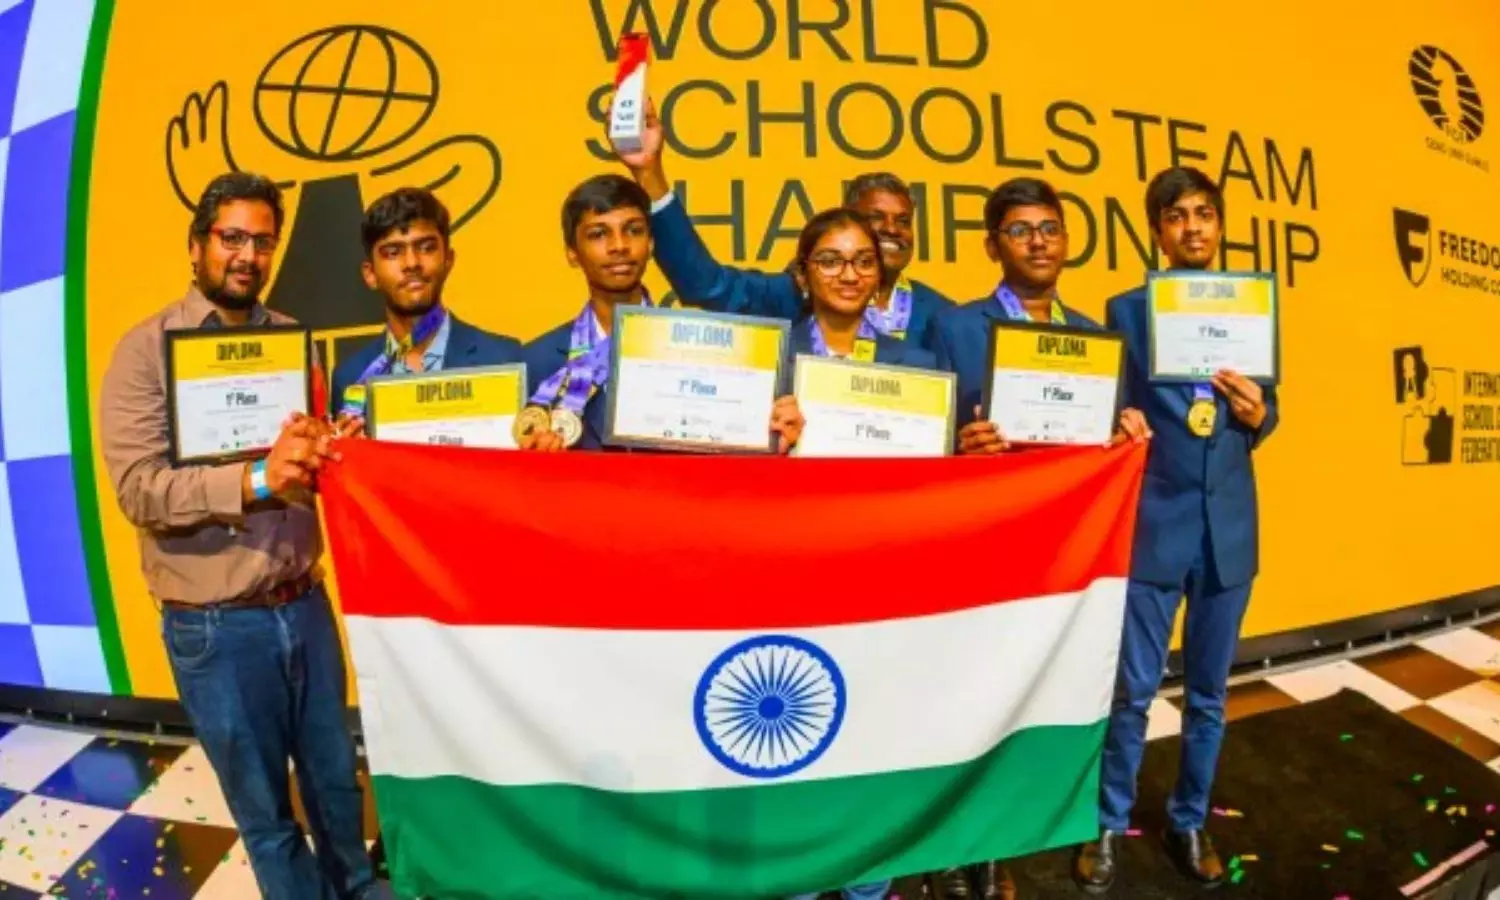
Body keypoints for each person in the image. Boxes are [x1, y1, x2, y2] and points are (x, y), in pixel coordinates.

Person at [98, 173, 383, 899]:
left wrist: (332, 447)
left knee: (337, 790)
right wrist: (257, 479)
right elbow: (141, 491)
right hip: (216, 628)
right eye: (232, 238)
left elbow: (303, 457)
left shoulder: (290, 339)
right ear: (197, 245)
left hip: (305, 606)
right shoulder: (143, 352)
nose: (248, 256)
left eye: (263, 241)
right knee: (266, 817)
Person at [1073, 167, 1280, 893]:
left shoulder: (1251, 307)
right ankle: (1107, 821)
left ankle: (1189, 820)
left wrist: (1260, 414)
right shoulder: (1127, 312)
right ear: (1157, 231)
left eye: (1204, 213)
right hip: (1155, 527)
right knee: (1132, 692)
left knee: (1210, 695)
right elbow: (1112, 405)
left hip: (1230, 532)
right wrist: (1118, 417)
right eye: (1176, 216)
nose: (1192, 227)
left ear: (1219, 224)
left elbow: (1269, 409)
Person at [613, 99, 954, 350]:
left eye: (903, 221)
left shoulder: (942, 315)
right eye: (876, 218)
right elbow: (705, 284)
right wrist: (650, 174)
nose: (892, 229)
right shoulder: (796, 293)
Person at [521, 174, 804, 454]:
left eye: (634, 230)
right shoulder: (537, 361)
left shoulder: (705, 352)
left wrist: (770, 442)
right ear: (572, 252)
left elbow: (722, 459)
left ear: (652, 244)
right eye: (598, 234)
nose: (619, 246)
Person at [930, 177, 1149, 456]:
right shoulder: (953, 330)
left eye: (1050, 230)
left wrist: (1124, 430)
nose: (1038, 242)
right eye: (1020, 231)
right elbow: (928, 443)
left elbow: (1107, 437)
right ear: (992, 247)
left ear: (1065, 242)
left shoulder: (1097, 338)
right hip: (995, 484)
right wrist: (962, 449)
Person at [329, 187, 559, 450]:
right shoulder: (350, 377)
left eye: (426, 248)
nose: (412, 263)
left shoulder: (505, 359)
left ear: (448, 259)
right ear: (370, 274)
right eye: (393, 252)